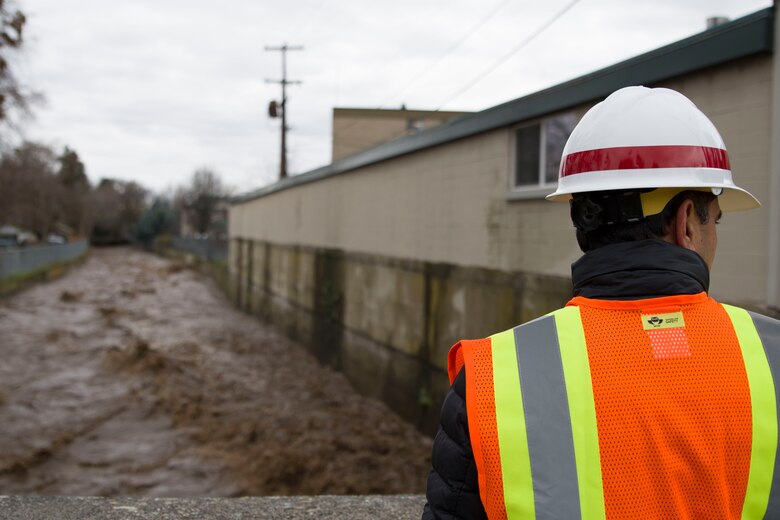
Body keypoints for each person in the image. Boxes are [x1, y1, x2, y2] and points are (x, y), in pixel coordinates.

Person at [422, 86, 780, 519]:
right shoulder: (771, 358)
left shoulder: (494, 378)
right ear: (686, 222)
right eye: (716, 220)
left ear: (583, 221)